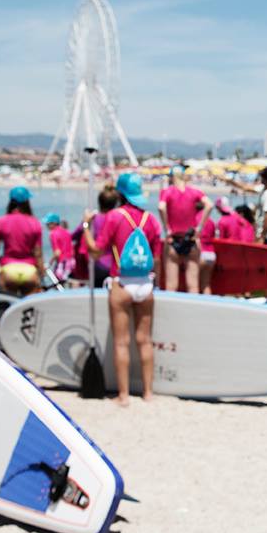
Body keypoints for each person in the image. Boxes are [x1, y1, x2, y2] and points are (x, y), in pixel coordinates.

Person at [86, 173, 161, 406]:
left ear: (120, 193)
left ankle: (124, 396)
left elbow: (96, 251)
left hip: (121, 283)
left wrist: (87, 225)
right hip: (145, 284)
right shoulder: (151, 219)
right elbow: (157, 257)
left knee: (121, 342)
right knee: (144, 340)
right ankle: (148, 393)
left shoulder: (114, 217)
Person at [157, 167, 212, 293]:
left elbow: (161, 207)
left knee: (171, 285)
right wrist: (199, 228)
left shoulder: (167, 192)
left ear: (172, 177)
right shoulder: (194, 191)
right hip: (190, 239)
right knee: (193, 285)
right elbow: (209, 205)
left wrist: (167, 229)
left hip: (173, 239)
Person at [0, 186, 45, 295]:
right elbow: (38, 253)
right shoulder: (34, 223)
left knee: (9, 303)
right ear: (27, 202)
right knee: (30, 304)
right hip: (29, 270)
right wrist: (41, 272)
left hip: (8, 269)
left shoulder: (1, 222)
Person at [77, 186, 119, 288]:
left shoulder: (94, 219)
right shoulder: (118, 219)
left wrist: (85, 224)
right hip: (116, 265)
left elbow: (76, 234)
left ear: (99, 202)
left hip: (99, 265)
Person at [45, 213, 75, 286]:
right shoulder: (66, 232)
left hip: (63, 262)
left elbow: (57, 252)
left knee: (58, 283)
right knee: (70, 282)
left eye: (48, 224)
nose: (46, 226)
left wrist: (49, 264)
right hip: (72, 262)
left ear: (54, 223)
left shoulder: (53, 234)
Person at [197, 204, 219, 294]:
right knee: (206, 284)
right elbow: (213, 236)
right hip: (211, 254)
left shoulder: (194, 218)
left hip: (201, 253)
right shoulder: (210, 221)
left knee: (194, 282)